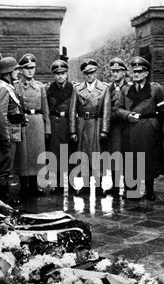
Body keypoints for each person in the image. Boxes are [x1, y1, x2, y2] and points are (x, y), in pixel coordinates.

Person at [116, 56, 164, 200]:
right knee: (131, 159)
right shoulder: (126, 89)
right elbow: (117, 108)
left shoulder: (156, 89)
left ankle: (149, 190)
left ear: (146, 73)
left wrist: (158, 129)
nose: (136, 74)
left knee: (148, 159)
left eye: (140, 71)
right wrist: (127, 115)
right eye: (134, 71)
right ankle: (132, 189)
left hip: (148, 128)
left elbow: (162, 111)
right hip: (131, 128)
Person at [69, 59, 111, 195]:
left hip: (96, 123)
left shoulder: (104, 88)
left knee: (96, 155)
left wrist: (104, 129)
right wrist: (73, 131)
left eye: (92, 72)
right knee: (83, 155)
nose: (89, 76)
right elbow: (72, 111)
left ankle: (98, 186)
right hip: (82, 124)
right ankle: (85, 185)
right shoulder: (77, 88)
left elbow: (106, 111)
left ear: (96, 72)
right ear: (83, 74)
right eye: (87, 73)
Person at [14, 53, 51, 196]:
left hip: (37, 123)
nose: (30, 71)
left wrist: (47, 128)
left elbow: (46, 109)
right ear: (21, 70)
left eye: (33, 68)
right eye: (27, 68)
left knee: (37, 155)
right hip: (23, 122)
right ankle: (24, 187)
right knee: (24, 156)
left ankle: (34, 186)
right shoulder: (16, 87)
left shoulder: (40, 87)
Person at [0, 57, 22, 204]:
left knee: (6, 167)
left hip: (11, 130)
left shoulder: (7, 85)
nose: (18, 72)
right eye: (16, 69)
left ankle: (4, 197)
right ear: (8, 72)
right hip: (6, 133)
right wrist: (5, 138)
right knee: (4, 168)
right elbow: (0, 116)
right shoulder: (2, 88)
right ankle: (3, 200)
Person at [47, 59, 73, 192]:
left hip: (67, 122)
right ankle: (56, 184)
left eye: (63, 73)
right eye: (57, 74)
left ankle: (69, 183)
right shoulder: (49, 90)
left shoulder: (72, 88)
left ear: (67, 74)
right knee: (55, 153)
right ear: (54, 75)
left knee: (68, 153)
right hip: (54, 122)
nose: (60, 76)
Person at [107, 57, 128, 196]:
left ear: (124, 72)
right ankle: (114, 186)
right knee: (115, 156)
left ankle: (129, 186)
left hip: (127, 127)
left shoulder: (130, 88)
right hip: (114, 127)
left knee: (128, 156)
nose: (115, 74)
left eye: (118, 71)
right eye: (113, 71)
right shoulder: (108, 88)